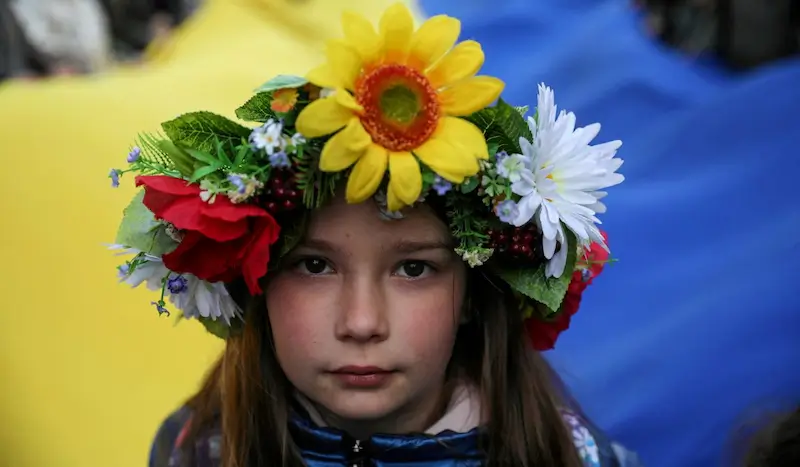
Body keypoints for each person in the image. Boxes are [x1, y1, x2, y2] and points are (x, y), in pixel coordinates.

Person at [108, 3, 640, 466]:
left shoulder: (573, 456)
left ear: (473, 295)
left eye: (413, 268)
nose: (361, 323)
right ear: (257, 284)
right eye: (314, 265)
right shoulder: (195, 450)